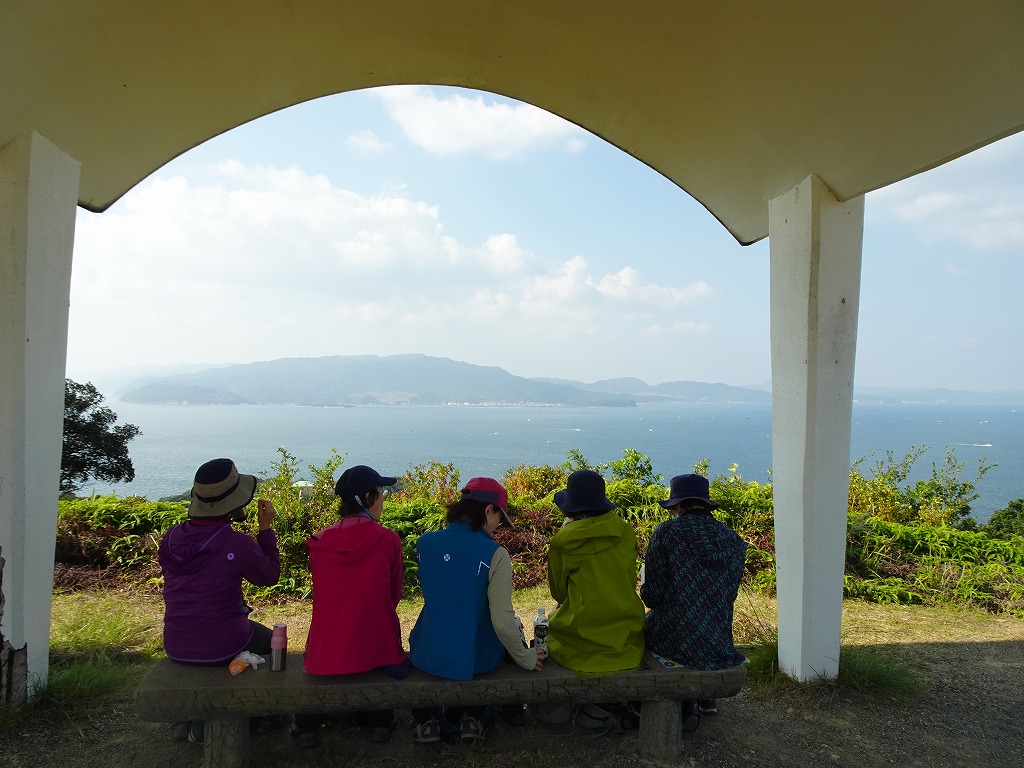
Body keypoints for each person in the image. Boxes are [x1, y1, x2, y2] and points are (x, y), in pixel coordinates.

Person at [408, 477, 545, 744]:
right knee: (499, 646)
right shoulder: (495, 554)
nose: (498, 527)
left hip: (429, 650)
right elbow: (502, 621)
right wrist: (526, 658)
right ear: (488, 510)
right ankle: (473, 719)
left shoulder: (425, 543)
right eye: (499, 518)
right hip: (476, 656)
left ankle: (427, 722)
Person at [158, 458, 280, 741]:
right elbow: (269, 576)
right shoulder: (236, 543)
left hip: (176, 642)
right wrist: (266, 530)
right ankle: (259, 714)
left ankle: (189, 717)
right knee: (273, 643)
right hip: (224, 643)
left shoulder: (170, 539)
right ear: (234, 504)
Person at [292, 465, 408, 747]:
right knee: (377, 665)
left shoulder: (318, 542)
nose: (383, 498)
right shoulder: (388, 540)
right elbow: (393, 595)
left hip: (326, 648)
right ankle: (379, 722)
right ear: (368, 497)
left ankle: (307, 727)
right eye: (381, 492)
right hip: (377, 644)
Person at [641, 472, 747, 728]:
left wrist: (644, 589)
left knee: (641, 631)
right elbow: (729, 595)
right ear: (706, 504)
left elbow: (653, 597)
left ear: (678, 506)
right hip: (718, 641)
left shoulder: (667, 533)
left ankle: (684, 703)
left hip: (673, 637)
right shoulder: (732, 539)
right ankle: (706, 698)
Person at [546, 469, 646, 674]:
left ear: (569, 510)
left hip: (580, 644)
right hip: (626, 639)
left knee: (552, 623)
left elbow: (559, 593)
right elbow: (627, 580)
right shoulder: (625, 532)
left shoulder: (564, 541)